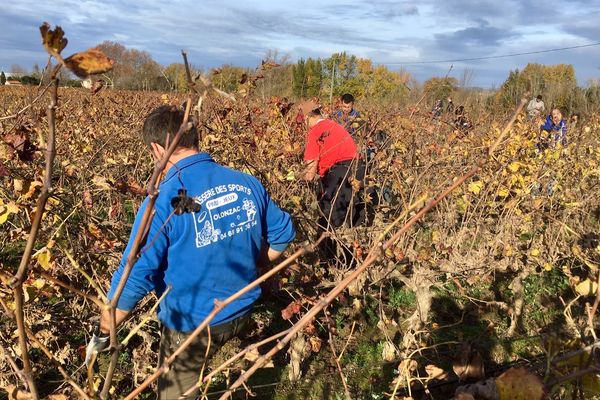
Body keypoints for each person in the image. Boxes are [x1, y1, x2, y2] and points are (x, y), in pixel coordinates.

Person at [85, 105, 295, 399]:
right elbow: (283, 235)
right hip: (242, 307)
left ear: (157, 150)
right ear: (196, 140)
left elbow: (134, 276)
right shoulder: (246, 182)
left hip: (193, 326)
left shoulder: (162, 204)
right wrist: (256, 264)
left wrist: (105, 330)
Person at [298, 100, 363, 228]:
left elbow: (310, 174)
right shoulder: (334, 125)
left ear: (307, 117)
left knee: (332, 221)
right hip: (358, 168)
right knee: (353, 218)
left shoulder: (315, 132)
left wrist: (296, 177)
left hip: (340, 174)